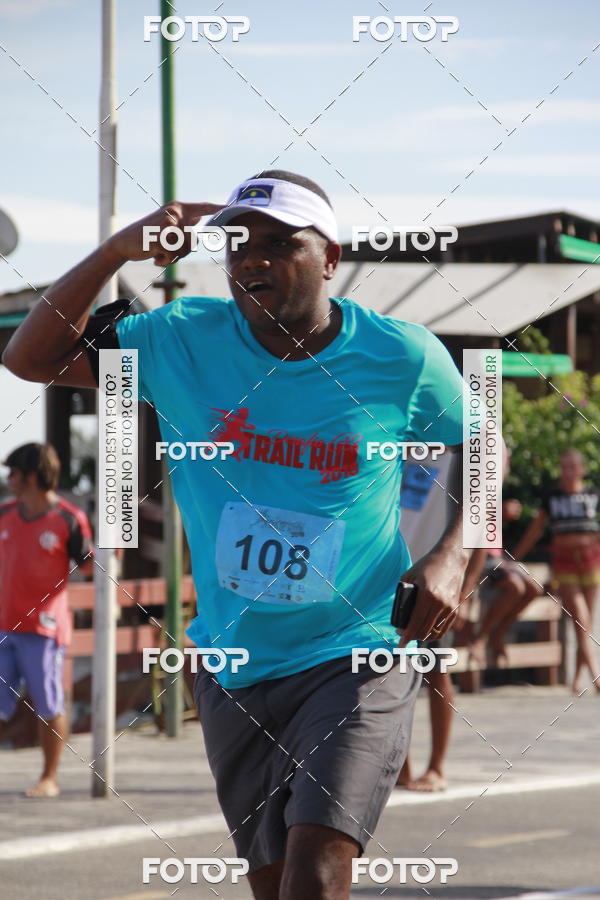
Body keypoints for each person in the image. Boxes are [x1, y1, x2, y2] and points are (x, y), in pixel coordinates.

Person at [3, 171, 468, 899]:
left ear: (330, 257)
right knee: (276, 883)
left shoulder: (401, 357)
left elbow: (486, 446)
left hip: (357, 653)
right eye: (239, 243)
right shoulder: (176, 340)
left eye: (282, 243)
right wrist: (117, 250)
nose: (254, 259)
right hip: (233, 667)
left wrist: (454, 553)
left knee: (316, 871)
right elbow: (28, 358)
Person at [0, 442, 94, 797]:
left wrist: (109, 553)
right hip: (3, 624)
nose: (9, 478)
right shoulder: (5, 514)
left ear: (33, 476)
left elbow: (88, 565)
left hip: (44, 629)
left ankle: (48, 778)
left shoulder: (68, 518)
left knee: (47, 704)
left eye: (15, 472)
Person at [395, 449, 472, 793]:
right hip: (392, 574)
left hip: (435, 580)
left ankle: (437, 767)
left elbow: (480, 529)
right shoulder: (394, 446)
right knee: (391, 672)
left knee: (437, 670)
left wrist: (466, 591)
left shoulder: (458, 455)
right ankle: (402, 767)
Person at [512, 449, 600, 694]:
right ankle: (595, 676)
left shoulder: (593, 495)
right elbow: (536, 529)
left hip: (592, 561)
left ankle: (576, 679)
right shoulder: (552, 497)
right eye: (564, 467)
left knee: (586, 624)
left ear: (582, 470)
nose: (568, 472)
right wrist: (515, 557)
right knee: (581, 619)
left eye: (573, 466)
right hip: (564, 562)